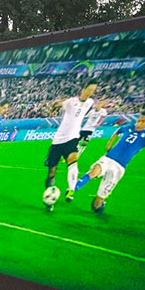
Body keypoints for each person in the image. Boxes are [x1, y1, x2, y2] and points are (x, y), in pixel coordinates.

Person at [43, 79, 98, 210]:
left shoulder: (90, 103)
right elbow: (56, 105)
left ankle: (71, 190)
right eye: (90, 89)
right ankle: (49, 198)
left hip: (72, 138)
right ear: (84, 89)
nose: (91, 92)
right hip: (58, 141)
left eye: (94, 90)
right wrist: (56, 104)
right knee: (52, 172)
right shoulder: (70, 102)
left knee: (73, 160)